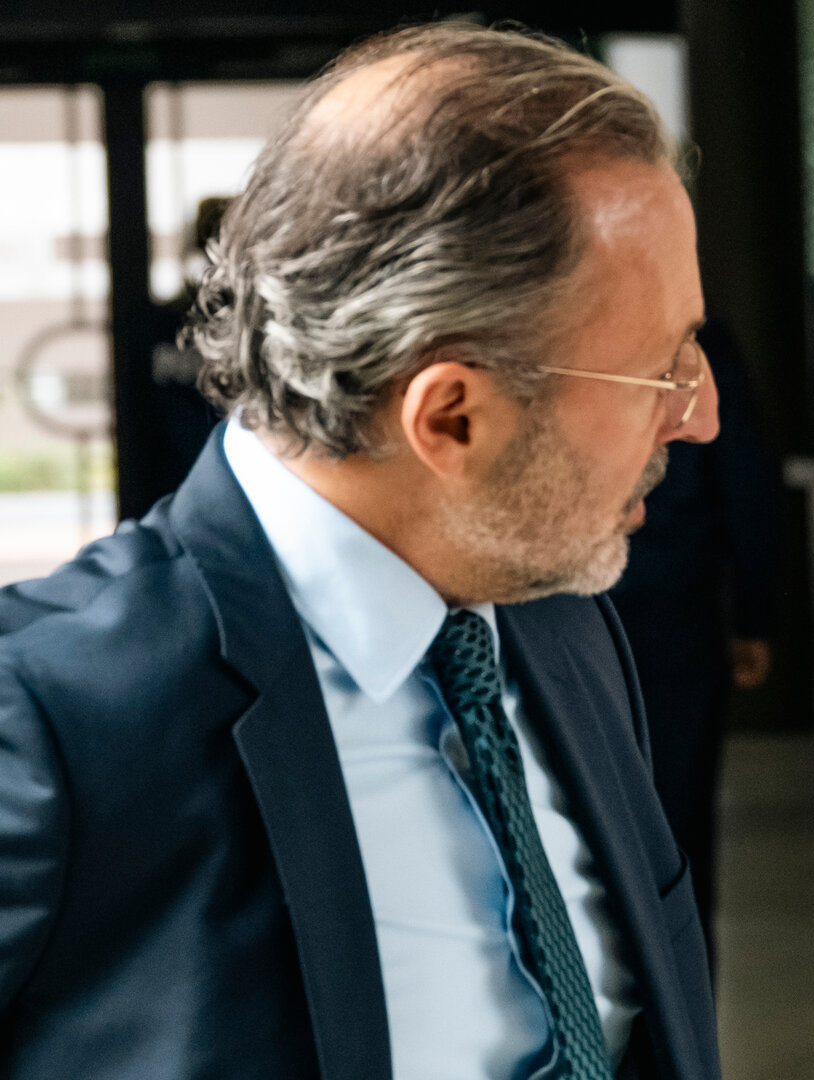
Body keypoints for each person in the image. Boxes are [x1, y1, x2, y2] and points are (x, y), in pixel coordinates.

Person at [0, 23, 722, 1080]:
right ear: (452, 419)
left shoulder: (562, 620)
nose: (699, 416)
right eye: (663, 372)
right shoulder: (50, 719)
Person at [606, 318, 782, 959]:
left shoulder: (574, 324)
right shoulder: (700, 339)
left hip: (584, 603)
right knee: (678, 833)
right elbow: (746, 478)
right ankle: (682, 1028)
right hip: (679, 611)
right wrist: (754, 615)